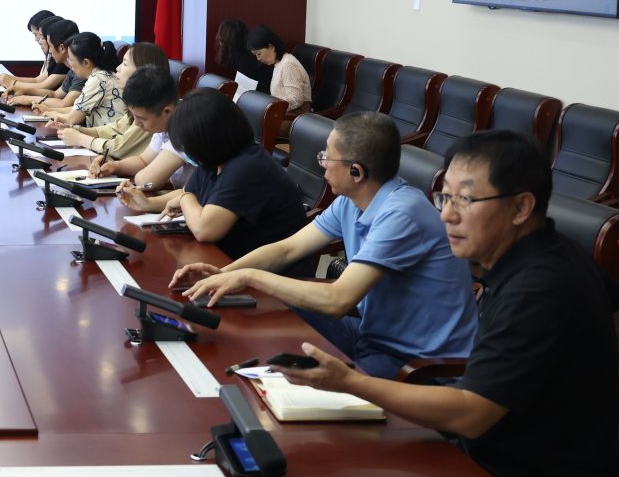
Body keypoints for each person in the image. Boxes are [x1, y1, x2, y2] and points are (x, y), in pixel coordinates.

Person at [283, 130, 619, 477]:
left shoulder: (538, 287)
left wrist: (352, 384)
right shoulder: (548, 253)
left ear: (521, 208)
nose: (447, 215)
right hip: (500, 461)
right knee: (342, 473)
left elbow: (470, 414)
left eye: (466, 199)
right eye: (444, 197)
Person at [174, 111, 478, 376]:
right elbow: (287, 249)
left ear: (356, 171)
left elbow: (337, 301)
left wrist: (250, 276)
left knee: (299, 383)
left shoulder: (402, 214)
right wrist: (224, 274)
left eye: (326, 158)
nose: (322, 165)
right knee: (262, 315)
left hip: (415, 361)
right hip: (372, 335)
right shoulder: (351, 200)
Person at [146, 90, 309, 264]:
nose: (186, 152)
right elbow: (189, 193)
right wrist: (146, 203)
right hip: (229, 261)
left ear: (205, 141)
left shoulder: (248, 166)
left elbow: (204, 230)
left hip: (268, 272)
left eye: (187, 146)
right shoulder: (215, 160)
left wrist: (184, 198)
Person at [62, 43, 166, 161]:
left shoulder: (152, 111)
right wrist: (76, 130)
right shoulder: (138, 102)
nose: (118, 68)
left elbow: (120, 149)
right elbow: (113, 128)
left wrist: (80, 138)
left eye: (125, 64)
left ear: (143, 71)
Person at [37, 33, 124, 131]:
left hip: (108, 138)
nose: (69, 63)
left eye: (70, 59)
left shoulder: (97, 79)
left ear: (86, 62)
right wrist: (49, 109)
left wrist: (50, 113)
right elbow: (78, 109)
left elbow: (72, 118)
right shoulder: (102, 74)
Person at [3, 17, 77, 101]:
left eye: (42, 37)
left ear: (62, 48)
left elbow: (63, 104)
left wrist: (14, 84)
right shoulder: (72, 71)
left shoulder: (76, 70)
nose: (38, 40)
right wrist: (23, 91)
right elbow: (55, 94)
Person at [249, 26, 312, 115]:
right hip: (283, 112)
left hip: (295, 116)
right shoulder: (279, 63)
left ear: (271, 47)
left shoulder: (288, 64)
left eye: (259, 54)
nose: (258, 59)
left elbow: (296, 99)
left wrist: (269, 106)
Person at [0, 10, 58, 88]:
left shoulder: (61, 60)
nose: (37, 40)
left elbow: (44, 86)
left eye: (39, 35)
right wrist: (8, 79)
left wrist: (11, 82)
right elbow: (38, 80)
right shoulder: (51, 55)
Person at [213, 18, 266, 91]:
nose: (218, 37)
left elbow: (244, 91)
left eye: (221, 34)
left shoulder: (247, 60)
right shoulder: (245, 55)